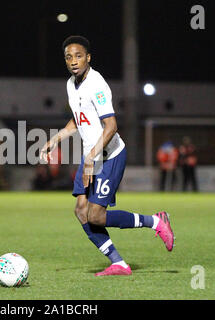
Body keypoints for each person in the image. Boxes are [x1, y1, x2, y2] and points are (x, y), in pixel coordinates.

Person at [40, 36, 174, 277]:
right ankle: (118, 263)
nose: (73, 61)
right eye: (68, 57)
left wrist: (92, 156)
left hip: (109, 156)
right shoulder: (71, 84)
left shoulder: (97, 84)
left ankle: (156, 221)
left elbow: (111, 125)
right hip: (91, 155)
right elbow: (79, 119)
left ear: (88, 58)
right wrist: (56, 139)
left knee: (96, 216)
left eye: (78, 56)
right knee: (80, 210)